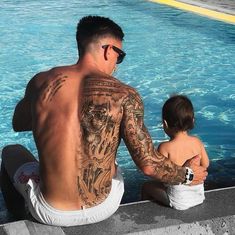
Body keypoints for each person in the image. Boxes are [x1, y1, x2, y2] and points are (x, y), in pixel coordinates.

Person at [0, 16, 207, 226]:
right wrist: (188, 175)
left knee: (11, 151)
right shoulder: (125, 94)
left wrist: (52, 113)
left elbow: (19, 124)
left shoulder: (41, 82)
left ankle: (17, 220)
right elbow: (148, 165)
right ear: (108, 50)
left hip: (49, 211)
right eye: (120, 56)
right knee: (111, 160)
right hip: (104, 207)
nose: (117, 65)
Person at [142, 95, 209, 210]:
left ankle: (146, 213)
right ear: (192, 121)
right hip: (198, 196)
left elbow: (159, 175)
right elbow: (206, 165)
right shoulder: (197, 142)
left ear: (165, 123)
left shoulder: (164, 147)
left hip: (177, 200)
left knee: (146, 187)